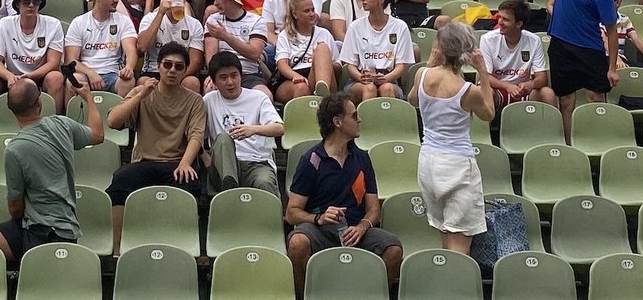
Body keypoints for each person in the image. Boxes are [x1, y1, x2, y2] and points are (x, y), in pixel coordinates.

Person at [0, 75, 107, 263]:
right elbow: (98, 134)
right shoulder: (61, 123)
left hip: (45, 232)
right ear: (39, 102)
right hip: (50, 227)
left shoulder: (14, 149)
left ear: (10, 110)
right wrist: (88, 97)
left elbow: (15, 207)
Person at [286, 93, 403, 296]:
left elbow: (374, 209)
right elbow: (292, 212)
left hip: (355, 231)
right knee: (297, 243)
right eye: (354, 115)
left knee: (393, 249)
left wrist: (361, 227)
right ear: (337, 122)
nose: (359, 120)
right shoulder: (311, 160)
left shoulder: (363, 159)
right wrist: (319, 218)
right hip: (320, 231)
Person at [104, 42, 208, 251]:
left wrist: (186, 163)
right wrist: (141, 95)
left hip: (176, 163)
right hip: (144, 161)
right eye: (167, 64)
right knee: (121, 179)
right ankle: (117, 249)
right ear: (158, 67)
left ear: (185, 71)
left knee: (189, 181)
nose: (172, 70)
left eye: (179, 67)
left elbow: (196, 135)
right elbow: (113, 121)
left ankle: (185, 247)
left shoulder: (195, 101)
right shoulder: (142, 92)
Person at [411, 21, 494, 253]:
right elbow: (488, 113)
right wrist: (483, 73)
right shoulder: (468, 90)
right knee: (458, 245)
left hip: (428, 162)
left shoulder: (421, 74)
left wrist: (429, 64)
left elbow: (412, 100)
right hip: (457, 165)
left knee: (445, 236)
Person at [546, 0, 619, 140]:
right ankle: (570, 145)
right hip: (561, 46)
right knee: (566, 100)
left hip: (590, 49)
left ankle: (600, 141)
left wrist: (612, 68)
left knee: (596, 97)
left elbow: (612, 32)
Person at [201, 51, 282, 194]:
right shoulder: (209, 100)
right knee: (223, 138)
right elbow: (194, 133)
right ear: (213, 81)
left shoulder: (258, 97)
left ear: (241, 76)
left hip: (256, 163)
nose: (230, 82)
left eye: (234, 75)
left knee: (265, 182)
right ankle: (230, 189)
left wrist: (254, 129)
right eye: (223, 78)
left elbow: (279, 128)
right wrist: (205, 157)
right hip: (223, 166)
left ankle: (270, 214)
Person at [0, 0, 66, 105]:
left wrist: (31, 76)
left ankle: (54, 121)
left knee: (56, 77)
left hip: (40, 76)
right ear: (18, 4)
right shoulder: (5, 23)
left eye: (35, 2)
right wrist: (8, 76)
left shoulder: (53, 24)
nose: (31, 5)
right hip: (11, 76)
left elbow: (53, 62)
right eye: (26, 2)